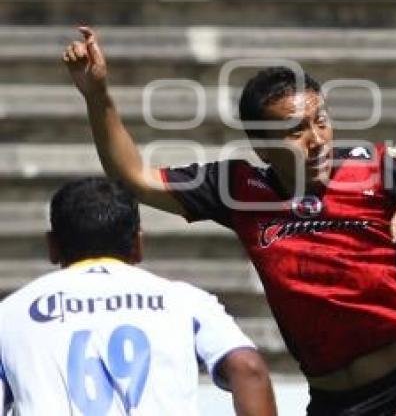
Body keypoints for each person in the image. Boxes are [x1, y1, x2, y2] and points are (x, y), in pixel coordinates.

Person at [63, 27, 396, 415]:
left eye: (322, 122)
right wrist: (96, 93)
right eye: (295, 131)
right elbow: (135, 178)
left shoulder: (376, 167)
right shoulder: (237, 187)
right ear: (260, 145)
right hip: (331, 402)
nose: (317, 140)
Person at [0, 177, 276, 416]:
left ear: (53, 246)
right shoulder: (185, 302)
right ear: (138, 244)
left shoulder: (10, 314)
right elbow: (247, 368)